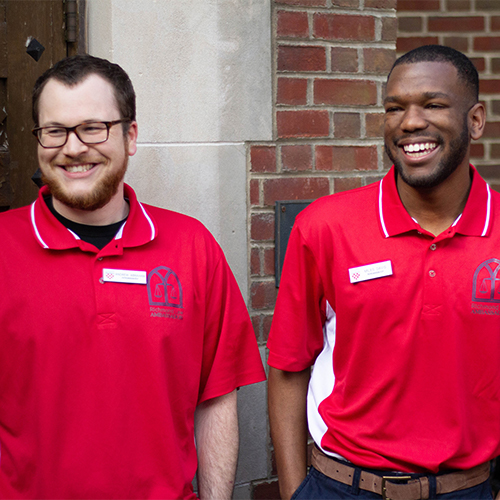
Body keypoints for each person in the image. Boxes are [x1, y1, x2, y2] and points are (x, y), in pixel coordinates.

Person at [0, 54, 265, 499]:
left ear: (131, 136)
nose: (73, 147)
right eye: (55, 131)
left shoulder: (191, 247)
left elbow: (216, 397)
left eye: (92, 128)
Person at [267, 45, 499, 500]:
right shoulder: (325, 226)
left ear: (475, 119)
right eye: (395, 108)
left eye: (432, 104)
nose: (410, 122)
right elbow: (288, 367)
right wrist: (294, 492)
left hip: (465, 489)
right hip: (340, 486)